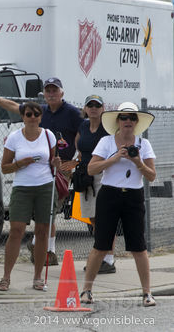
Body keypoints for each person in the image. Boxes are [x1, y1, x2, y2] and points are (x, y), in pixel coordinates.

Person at [0, 77, 83, 265]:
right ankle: (42, 247)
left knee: (52, 211)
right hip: (34, 171)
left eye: (54, 90)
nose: (51, 94)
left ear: (62, 93)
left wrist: (74, 161)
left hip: (60, 166)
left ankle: (45, 249)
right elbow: (13, 106)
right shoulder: (39, 111)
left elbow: (81, 134)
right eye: (48, 90)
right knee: (43, 216)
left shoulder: (72, 113)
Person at [80, 102, 156, 307]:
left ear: (136, 122)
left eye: (132, 118)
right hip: (109, 195)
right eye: (124, 117)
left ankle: (147, 293)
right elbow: (91, 169)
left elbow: (152, 175)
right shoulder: (106, 142)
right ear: (118, 121)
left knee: (139, 247)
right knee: (100, 245)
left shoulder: (144, 144)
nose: (128, 121)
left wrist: (137, 162)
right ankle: (87, 290)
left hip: (133, 196)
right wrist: (114, 157)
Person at [0, 102, 61, 291]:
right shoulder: (14, 138)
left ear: (41, 117)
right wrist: (19, 164)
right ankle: (6, 277)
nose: (32, 117)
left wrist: (57, 163)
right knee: (16, 231)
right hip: (22, 187)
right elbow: (4, 167)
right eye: (29, 114)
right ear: (23, 117)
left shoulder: (49, 136)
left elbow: (53, 162)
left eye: (36, 114)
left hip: (45, 186)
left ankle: (38, 277)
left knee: (42, 232)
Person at [76, 95, 116, 274]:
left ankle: (108, 259)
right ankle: (99, 255)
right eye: (90, 105)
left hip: (103, 175)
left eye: (97, 105)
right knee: (92, 218)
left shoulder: (107, 128)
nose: (93, 108)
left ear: (103, 108)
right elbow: (79, 145)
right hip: (86, 176)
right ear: (85, 108)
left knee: (104, 218)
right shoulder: (83, 126)